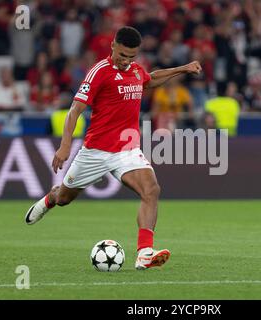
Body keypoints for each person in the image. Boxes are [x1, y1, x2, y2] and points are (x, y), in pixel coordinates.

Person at [24, 26, 202, 270]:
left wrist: (183, 68)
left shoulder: (136, 71)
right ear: (113, 47)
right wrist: (65, 147)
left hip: (127, 150)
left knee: (151, 190)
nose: (126, 61)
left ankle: (145, 252)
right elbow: (75, 110)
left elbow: (151, 78)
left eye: (131, 56)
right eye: (122, 55)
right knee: (64, 198)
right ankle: (49, 199)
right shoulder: (99, 72)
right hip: (95, 151)